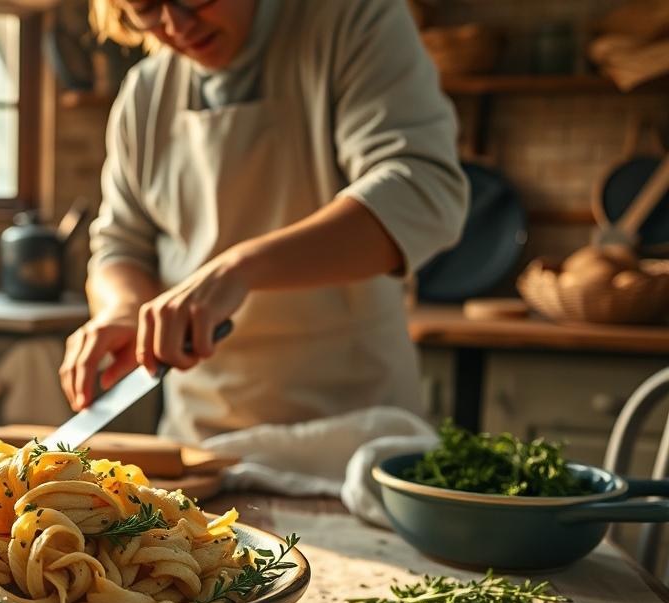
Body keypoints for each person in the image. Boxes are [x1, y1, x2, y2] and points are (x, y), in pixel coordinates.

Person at [59, 0, 467, 444]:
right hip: (200, 443)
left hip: (352, 437)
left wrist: (241, 267)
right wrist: (124, 308)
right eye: (146, 8)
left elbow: (422, 192)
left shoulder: (355, 21)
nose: (175, 24)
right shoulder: (145, 93)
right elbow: (121, 246)